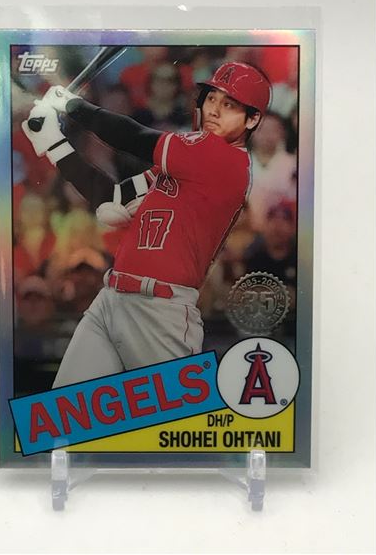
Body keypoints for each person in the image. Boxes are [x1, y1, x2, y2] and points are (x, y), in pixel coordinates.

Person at [22, 62, 272, 387]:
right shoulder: (186, 157)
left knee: (174, 417)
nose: (214, 109)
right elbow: (112, 199)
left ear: (252, 119)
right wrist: (54, 145)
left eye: (229, 105)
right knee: (67, 409)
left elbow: (135, 138)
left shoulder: (225, 160)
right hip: (111, 299)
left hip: (161, 312)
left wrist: (73, 106)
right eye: (212, 98)